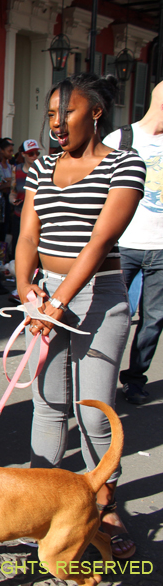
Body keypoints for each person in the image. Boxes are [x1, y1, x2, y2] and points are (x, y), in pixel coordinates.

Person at [16, 73, 145, 560]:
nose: (55, 123)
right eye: (50, 114)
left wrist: (57, 302)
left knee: (92, 409)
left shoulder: (125, 165)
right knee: (48, 403)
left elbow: (99, 243)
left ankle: (106, 503)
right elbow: (28, 236)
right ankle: (37, 501)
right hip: (46, 294)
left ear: (94, 112)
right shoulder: (40, 168)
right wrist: (27, 288)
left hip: (97, 295)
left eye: (65, 112)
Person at [103, 81, 163, 406]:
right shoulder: (121, 139)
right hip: (122, 245)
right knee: (109, 314)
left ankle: (135, 379)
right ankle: (101, 376)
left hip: (162, 248)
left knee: (154, 319)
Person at [9, 138, 40, 260]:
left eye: (37, 153)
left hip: (36, 217)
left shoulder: (42, 170)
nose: (34, 156)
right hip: (19, 215)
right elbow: (12, 192)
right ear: (23, 154)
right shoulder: (16, 170)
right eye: (31, 154)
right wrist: (12, 200)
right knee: (18, 246)